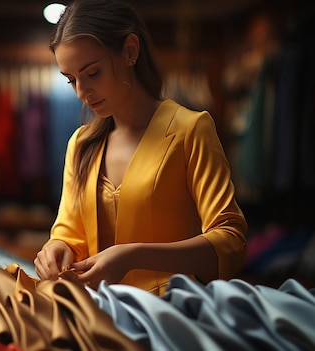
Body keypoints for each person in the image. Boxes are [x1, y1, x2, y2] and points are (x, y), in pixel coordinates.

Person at [33, 0, 247, 295]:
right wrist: (55, 248)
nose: (82, 92)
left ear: (130, 51)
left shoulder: (190, 129)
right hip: (99, 313)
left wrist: (134, 256)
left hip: (172, 313)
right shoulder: (81, 144)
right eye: (72, 80)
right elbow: (69, 234)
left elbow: (231, 242)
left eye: (92, 73)